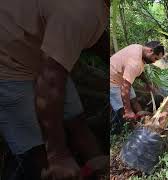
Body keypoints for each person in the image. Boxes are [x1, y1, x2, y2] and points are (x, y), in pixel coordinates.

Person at [0, 0, 108, 179]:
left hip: (41, 55)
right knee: (38, 152)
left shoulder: (94, 11)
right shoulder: (83, 10)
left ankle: (97, 167)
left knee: (76, 121)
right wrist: (57, 155)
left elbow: (96, 37)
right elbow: (50, 82)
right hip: (8, 64)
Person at [110, 41, 165, 133]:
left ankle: (143, 119)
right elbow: (125, 88)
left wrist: (147, 83)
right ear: (150, 50)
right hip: (112, 81)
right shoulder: (134, 62)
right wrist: (128, 110)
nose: (154, 61)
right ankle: (136, 131)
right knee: (122, 110)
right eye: (155, 58)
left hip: (122, 77)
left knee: (134, 100)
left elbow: (139, 71)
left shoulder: (138, 48)